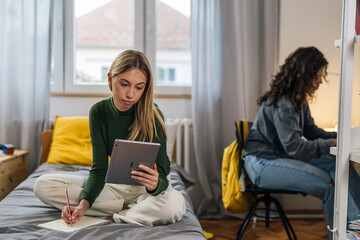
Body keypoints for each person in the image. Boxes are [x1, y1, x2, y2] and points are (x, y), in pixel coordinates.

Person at [34, 49, 186, 226]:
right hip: (113, 186)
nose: (131, 94)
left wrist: (154, 185)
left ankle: (118, 215)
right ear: (110, 79)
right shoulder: (98, 112)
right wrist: (82, 206)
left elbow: (162, 172)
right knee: (42, 185)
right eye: (124, 84)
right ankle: (129, 210)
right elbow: (99, 170)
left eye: (139, 87)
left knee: (175, 204)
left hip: (147, 190)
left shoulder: (153, 114)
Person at [243, 46, 360, 239]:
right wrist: (332, 142)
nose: (321, 81)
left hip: (278, 157)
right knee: (329, 185)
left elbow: (311, 132)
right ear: (303, 74)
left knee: (339, 164)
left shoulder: (297, 100)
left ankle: (355, 226)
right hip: (262, 164)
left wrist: (343, 137)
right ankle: (348, 234)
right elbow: (295, 148)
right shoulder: (283, 101)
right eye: (317, 76)